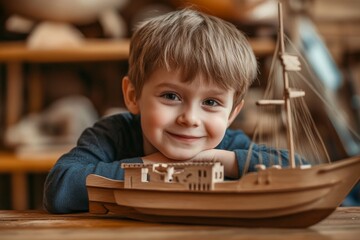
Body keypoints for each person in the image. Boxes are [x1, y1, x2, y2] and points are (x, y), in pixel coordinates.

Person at [43, 8, 291, 213]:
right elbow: (60, 190)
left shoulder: (227, 146)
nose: (190, 119)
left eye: (211, 103)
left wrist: (211, 160)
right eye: (171, 96)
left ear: (232, 114)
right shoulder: (112, 134)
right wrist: (159, 165)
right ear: (133, 96)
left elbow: (294, 168)